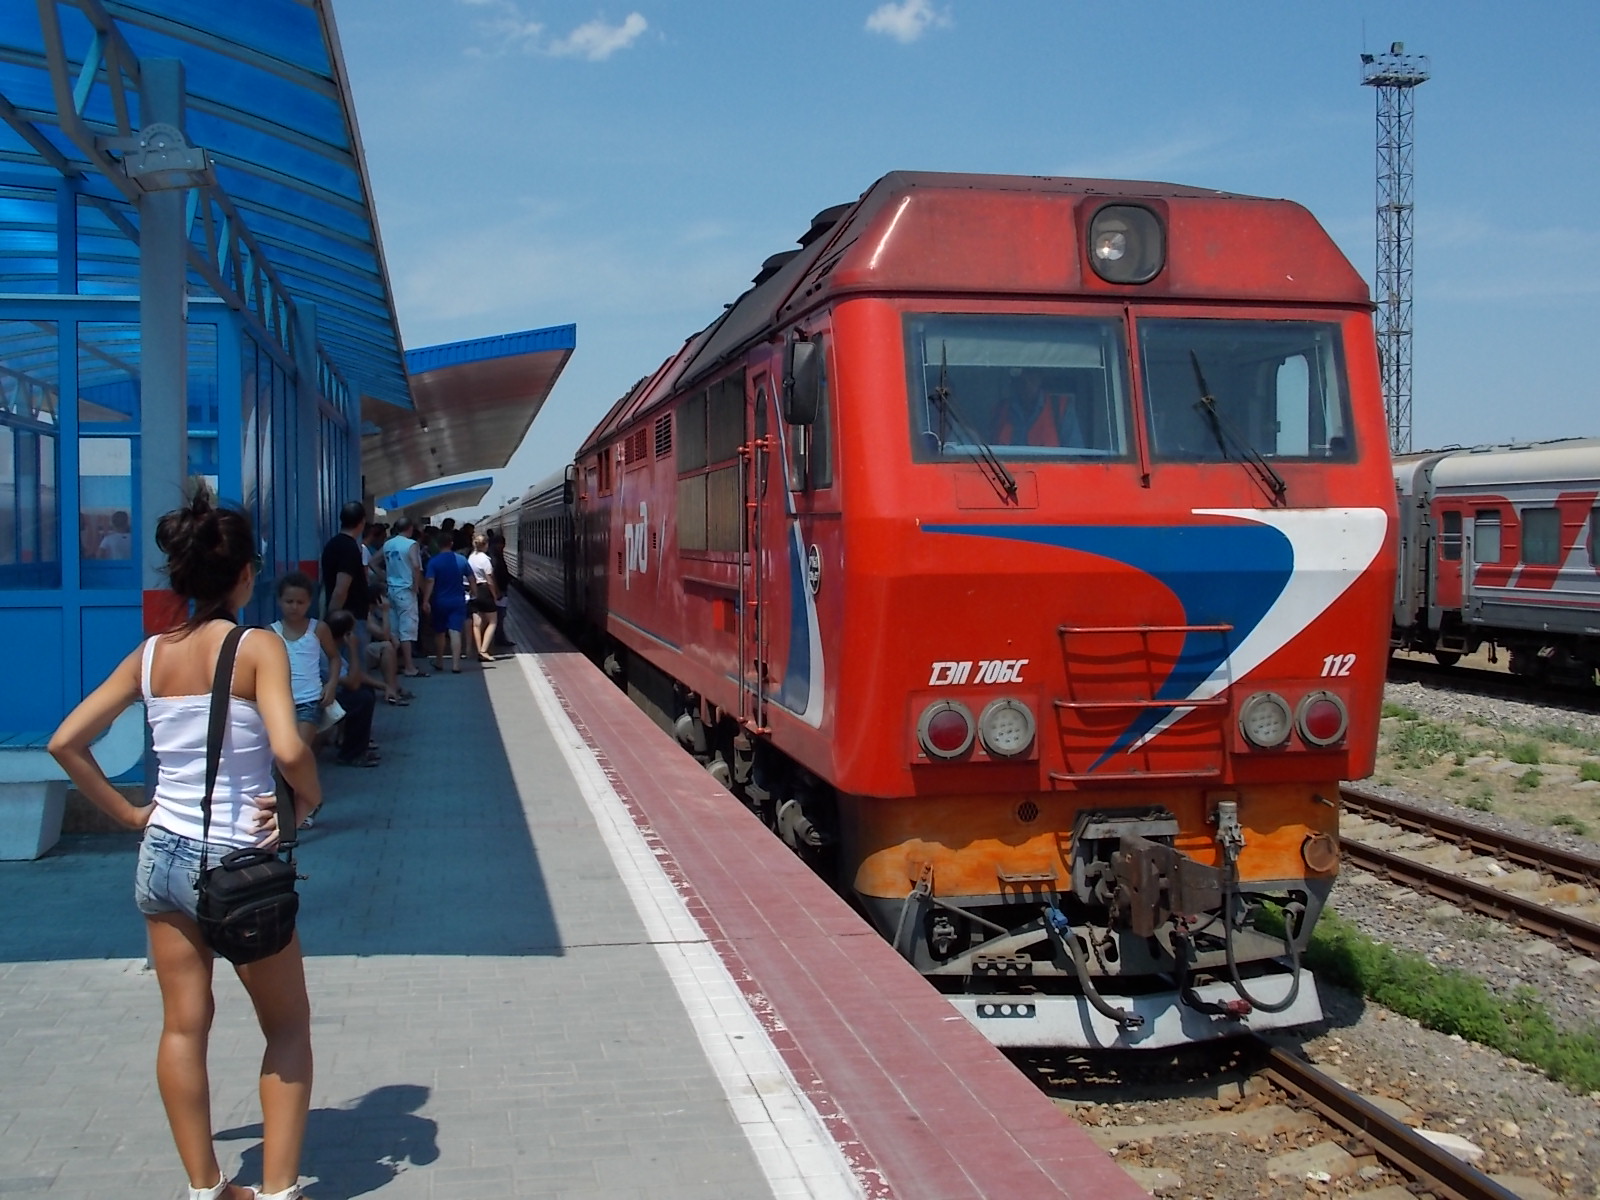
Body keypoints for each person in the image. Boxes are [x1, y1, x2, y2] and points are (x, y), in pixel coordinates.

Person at [47, 489, 320, 1200]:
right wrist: (310, 798)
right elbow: (288, 749)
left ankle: (207, 1190)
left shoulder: (149, 657)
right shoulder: (257, 646)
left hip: (163, 857)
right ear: (246, 575)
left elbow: (66, 742)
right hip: (240, 865)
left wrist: (130, 814)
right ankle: (281, 1190)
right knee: (288, 1028)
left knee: (183, 1027)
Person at [270, 572, 342, 747]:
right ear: (279, 601)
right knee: (282, 756)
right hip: (280, 703)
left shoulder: (318, 629)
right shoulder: (270, 632)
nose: (294, 607)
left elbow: (335, 658)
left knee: (298, 751)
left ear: (309, 603)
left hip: (310, 701)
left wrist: (331, 684)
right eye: (289, 602)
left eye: (300, 602)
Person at [319, 502, 371, 674]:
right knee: (354, 663)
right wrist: (333, 620)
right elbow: (341, 589)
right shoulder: (350, 549)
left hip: (343, 615)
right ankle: (355, 697)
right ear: (362, 522)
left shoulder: (331, 545)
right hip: (349, 618)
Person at [323, 609, 379, 767]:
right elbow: (352, 682)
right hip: (325, 697)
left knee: (366, 691)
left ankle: (359, 746)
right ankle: (350, 754)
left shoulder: (334, 648)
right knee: (361, 699)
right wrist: (353, 649)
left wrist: (385, 686)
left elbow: (356, 676)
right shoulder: (326, 652)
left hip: (335, 692)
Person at [421, 531, 473, 673]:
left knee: (440, 632)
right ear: (451, 544)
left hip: (439, 601)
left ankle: (439, 661)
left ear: (438, 545)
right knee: (455, 631)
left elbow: (430, 581)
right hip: (458, 601)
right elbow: (471, 578)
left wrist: (425, 601)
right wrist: (474, 592)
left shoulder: (434, 561)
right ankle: (456, 665)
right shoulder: (461, 560)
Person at [381, 519, 426, 679]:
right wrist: (416, 585)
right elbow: (415, 565)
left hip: (391, 589)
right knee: (407, 630)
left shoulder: (388, 544)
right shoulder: (411, 544)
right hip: (405, 591)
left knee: (393, 630)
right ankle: (409, 666)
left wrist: (384, 576)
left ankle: (392, 664)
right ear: (410, 528)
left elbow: (373, 561)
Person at [466, 533, 499, 663]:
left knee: (476, 624)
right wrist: (495, 595)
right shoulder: (485, 559)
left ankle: (479, 650)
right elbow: (490, 579)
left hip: (473, 590)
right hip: (485, 590)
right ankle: (484, 650)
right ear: (485, 545)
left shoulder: (471, 558)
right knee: (493, 621)